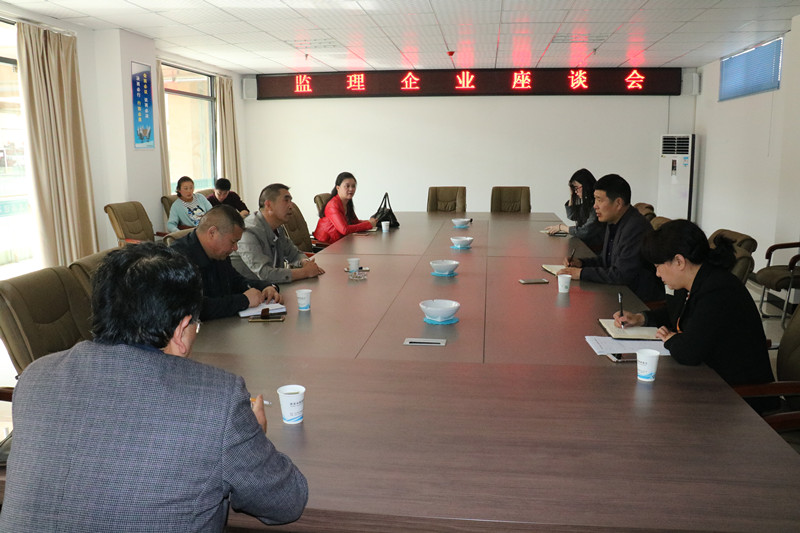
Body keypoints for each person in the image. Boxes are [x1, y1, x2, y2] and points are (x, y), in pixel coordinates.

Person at [0, 242, 308, 532]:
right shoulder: (219, 401)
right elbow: (286, 502)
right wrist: (249, 438)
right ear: (181, 330)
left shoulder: (34, 378)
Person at [613, 219, 777, 413]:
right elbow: (677, 313)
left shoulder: (718, 290)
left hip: (741, 398)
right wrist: (642, 318)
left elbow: (688, 352)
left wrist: (671, 339)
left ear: (679, 262)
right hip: (711, 379)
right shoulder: (693, 281)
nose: (657, 274)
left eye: (658, 266)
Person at [559, 174, 664, 303]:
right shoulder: (614, 220)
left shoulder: (635, 227)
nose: (595, 206)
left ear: (618, 203)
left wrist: (581, 273)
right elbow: (606, 261)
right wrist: (581, 263)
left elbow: (621, 275)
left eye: (599, 200)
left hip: (638, 299)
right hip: (619, 291)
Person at [170, 205, 284, 320]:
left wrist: (265, 287)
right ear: (212, 233)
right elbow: (193, 308)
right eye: (233, 242)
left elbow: (236, 281)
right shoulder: (177, 258)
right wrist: (244, 300)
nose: (235, 248)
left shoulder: (219, 254)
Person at [232, 183, 325, 284]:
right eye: (286, 200)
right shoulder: (248, 231)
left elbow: (295, 254)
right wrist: (305, 272)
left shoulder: (278, 228)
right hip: (248, 290)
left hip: (273, 288)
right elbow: (265, 274)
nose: (291, 206)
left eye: (291, 201)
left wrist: (305, 263)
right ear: (269, 205)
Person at [544, 168, 604, 252]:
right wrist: (572, 195)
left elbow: (584, 231)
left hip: (594, 251)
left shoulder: (596, 205)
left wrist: (561, 227)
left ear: (586, 185)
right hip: (586, 247)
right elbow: (572, 215)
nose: (576, 191)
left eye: (576, 188)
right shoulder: (589, 202)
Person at [313, 171, 376, 244]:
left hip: (341, 241)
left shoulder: (347, 202)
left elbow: (355, 222)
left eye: (353, 186)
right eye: (347, 186)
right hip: (326, 245)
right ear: (338, 188)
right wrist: (369, 224)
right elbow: (344, 229)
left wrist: (371, 222)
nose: (351, 189)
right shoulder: (333, 205)